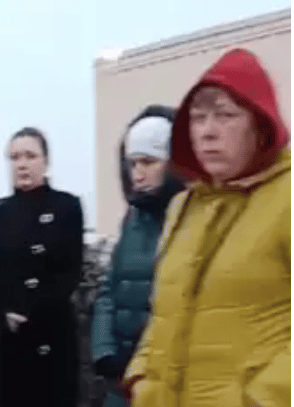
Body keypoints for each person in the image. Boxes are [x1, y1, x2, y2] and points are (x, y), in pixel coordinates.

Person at [124, 48, 290, 407]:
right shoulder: (183, 206)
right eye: (198, 118)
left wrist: (265, 397)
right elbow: (163, 312)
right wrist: (141, 378)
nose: (208, 132)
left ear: (261, 125)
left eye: (226, 115)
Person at [0, 127, 84, 407]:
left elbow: (70, 271)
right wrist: (2, 314)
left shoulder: (67, 207)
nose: (21, 164)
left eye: (30, 156)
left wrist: (30, 310)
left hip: (53, 338)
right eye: (14, 157)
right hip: (10, 345)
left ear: (45, 162)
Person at [90, 105, 185, 406]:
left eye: (148, 162)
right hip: (120, 379)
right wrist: (104, 352)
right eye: (132, 163)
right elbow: (110, 288)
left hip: (163, 379)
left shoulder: (192, 218)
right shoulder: (132, 219)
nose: (137, 174)